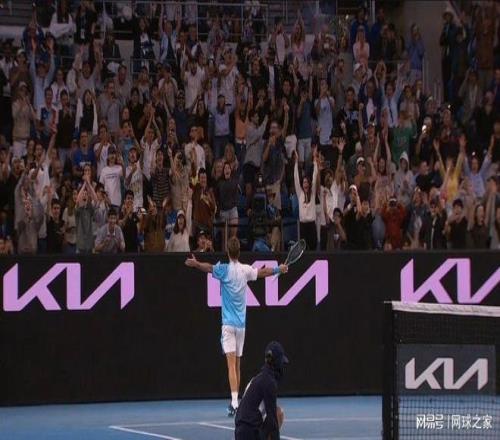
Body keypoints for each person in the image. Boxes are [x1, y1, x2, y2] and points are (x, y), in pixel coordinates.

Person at [184, 237, 288, 416]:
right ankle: (236, 400)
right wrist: (279, 268)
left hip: (228, 325)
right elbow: (263, 273)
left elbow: (208, 267)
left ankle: (234, 403)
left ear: (227, 251)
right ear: (239, 252)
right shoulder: (245, 270)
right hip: (241, 327)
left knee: (231, 365)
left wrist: (195, 264)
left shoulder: (224, 270)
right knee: (237, 364)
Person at [235, 341, 289, 440]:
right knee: (278, 413)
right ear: (277, 362)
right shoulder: (270, 382)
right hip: (250, 433)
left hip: (239, 432)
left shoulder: (256, 379)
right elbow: (272, 419)